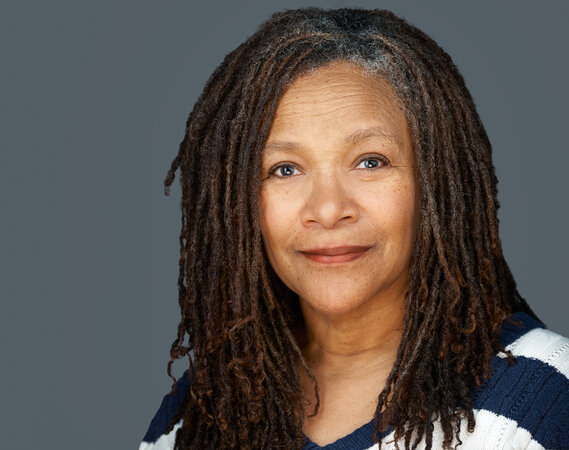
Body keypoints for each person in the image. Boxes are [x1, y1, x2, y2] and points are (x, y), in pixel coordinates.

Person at [140, 8, 569, 450]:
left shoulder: (544, 399)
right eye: (284, 169)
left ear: (437, 182)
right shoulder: (200, 411)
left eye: (370, 162)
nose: (328, 210)